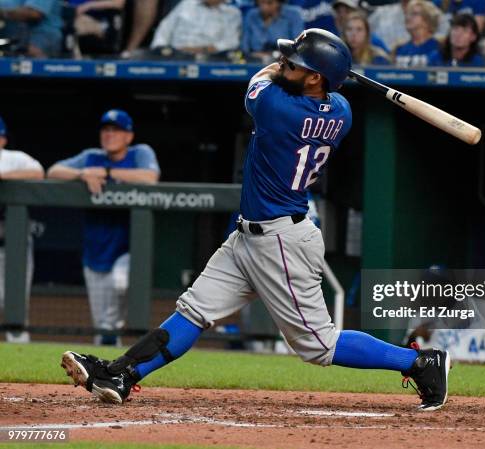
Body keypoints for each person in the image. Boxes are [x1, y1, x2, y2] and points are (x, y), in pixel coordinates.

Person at [60, 29, 451, 412]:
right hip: (249, 236)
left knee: (318, 346)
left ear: (315, 77)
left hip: (281, 242)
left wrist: (293, 67)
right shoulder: (342, 112)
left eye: (295, 63)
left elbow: (262, 78)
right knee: (194, 311)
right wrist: (314, 67)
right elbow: (305, 85)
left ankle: (418, 362)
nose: (283, 63)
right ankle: (122, 374)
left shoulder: (276, 107)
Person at [48, 110, 160, 346]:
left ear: (128, 136)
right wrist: (83, 173)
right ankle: (106, 362)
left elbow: (150, 177)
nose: (110, 135)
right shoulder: (91, 157)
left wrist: (107, 172)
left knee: (119, 284)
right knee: (102, 325)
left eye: (116, 130)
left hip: (127, 247)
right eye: (106, 130)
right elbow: (53, 171)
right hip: (95, 249)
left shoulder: (140, 152)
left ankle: (119, 330)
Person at [0, 115, 44, 343]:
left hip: (12, 244)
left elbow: (38, 172)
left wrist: (3, 177)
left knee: (15, 304)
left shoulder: (12, 158)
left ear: (3, 138)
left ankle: (18, 345)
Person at [150, 0, 241, 57]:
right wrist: (160, 50)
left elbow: (230, 43)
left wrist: (200, 50)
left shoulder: (232, 13)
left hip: (209, 58)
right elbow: (165, 28)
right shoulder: (186, 4)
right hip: (174, 56)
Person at [392, 0, 441, 68]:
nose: (408, 17)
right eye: (407, 14)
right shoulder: (399, 49)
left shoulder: (440, 47)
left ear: (427, 20)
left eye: (414, 14)